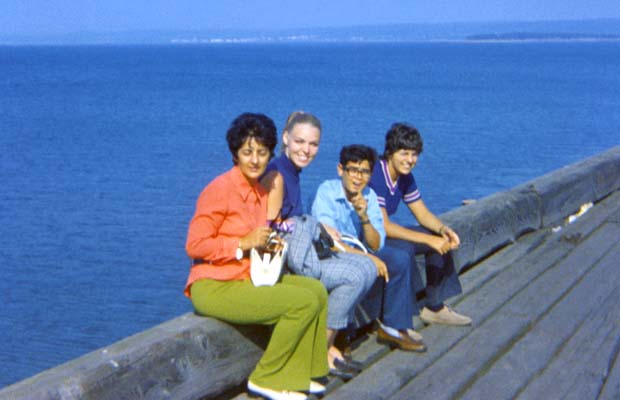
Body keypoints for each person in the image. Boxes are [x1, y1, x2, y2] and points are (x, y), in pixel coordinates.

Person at [184, 113, 328, 400]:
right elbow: (195, 245)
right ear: (235, 153)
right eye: (247, 152)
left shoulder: (260, 190)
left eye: (262, 153)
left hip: (244, 276)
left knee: (316, 291)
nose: (254, 160)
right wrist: (242, 243)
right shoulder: (220, 189)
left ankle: (305, 372)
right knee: (299, 304)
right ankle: (268, 378)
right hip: (214, 284)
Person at [260, 111, 386, 380]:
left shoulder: (291, 170)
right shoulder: (277, 174)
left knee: (366, 267)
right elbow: (270, 227)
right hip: (286, 261)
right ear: (285, 139)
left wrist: (315, 225)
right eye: (300, 142)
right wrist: (312, 224)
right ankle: (320, 351)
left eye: (313, 144)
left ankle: (327, 347)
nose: (306, 150)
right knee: (354, 275)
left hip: (300, 250)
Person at [311, 144, 426, 352]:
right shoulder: (326, 192)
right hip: (333, 253)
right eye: (353, 170)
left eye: (364, 172)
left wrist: (364, 217)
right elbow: (330, 242)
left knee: (399, 258)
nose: (358, 177)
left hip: (360, 249)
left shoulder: (370, 196)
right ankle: (342, 334)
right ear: (340, 170)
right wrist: (368, 259)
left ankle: (393, 327)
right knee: (362, 268)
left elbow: (376, 244)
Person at [367, 122, 471, 329]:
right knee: (406, 249)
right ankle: (398, 322)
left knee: (438, 238)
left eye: (414, 154)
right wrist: (429, 240)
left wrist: (443, 231)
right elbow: (384, 225)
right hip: (367, 236)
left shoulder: (405, 177)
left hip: (383, 232)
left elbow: (421, 213)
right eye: (404, 153)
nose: (410, 160)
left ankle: (434, 307)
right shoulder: (376, 174)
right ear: (390, 152)